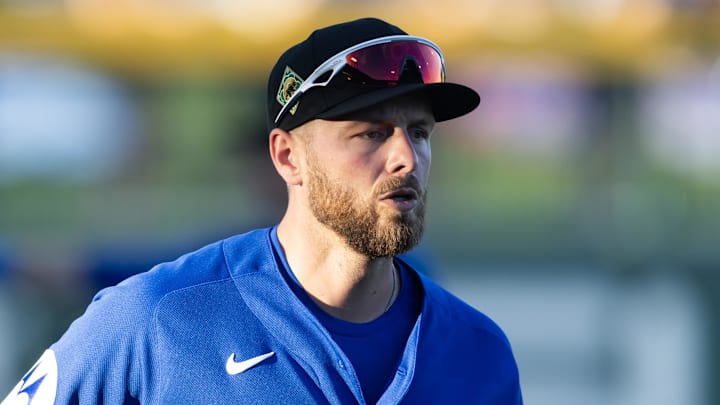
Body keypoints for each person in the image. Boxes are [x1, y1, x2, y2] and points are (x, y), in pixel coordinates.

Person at [2, 17, 522, 404]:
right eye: (371, 133)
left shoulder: (478, 351)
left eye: (420, 132)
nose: (406, 157)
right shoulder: (156, 316)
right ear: (287, 156)